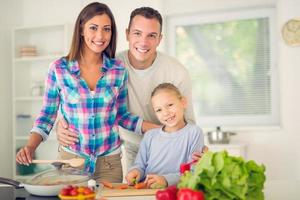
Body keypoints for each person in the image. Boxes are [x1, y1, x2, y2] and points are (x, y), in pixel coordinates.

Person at [15, 2, 154, 183]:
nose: (100, 35)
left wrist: (161, 129)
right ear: (81, 29)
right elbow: (47, 115)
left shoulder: (118, 70)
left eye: (106, 29)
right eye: (93, 28)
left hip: (109, 164)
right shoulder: (59, 69)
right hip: (71, 162)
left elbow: (122, 116)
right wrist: (31, 146)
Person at [56, 7, 203, 171]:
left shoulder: (177, 72)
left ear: (159, 39)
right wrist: (61, 125)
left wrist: (194, 146)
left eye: (151, 35)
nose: (143, 42)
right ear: (127, 34)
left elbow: (188, 122)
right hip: (131, 148)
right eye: (137, 33)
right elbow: (84, 100)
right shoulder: (112, 66)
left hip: (170, 148)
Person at [126, 83, 204, 188]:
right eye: (159, 110)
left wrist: (165, 180)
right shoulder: (150, 136)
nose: (166, 113)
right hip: (147, 190)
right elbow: (140, 165)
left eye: (170, 105)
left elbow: (193, 171)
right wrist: (135, 172)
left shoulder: (194, 132)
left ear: (183, 102)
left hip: (176, 191)